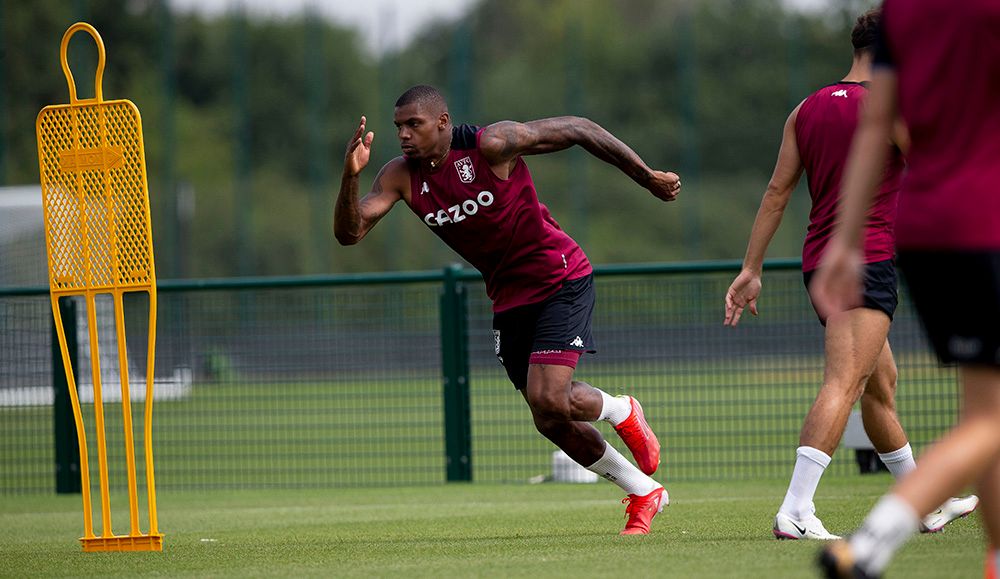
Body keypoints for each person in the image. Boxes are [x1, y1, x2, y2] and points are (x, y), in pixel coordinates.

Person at [334, 85, 681, 535]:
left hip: (560, 277)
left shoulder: (491, 145)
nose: (403, 134)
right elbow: (350, 233)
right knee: (548, 419)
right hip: (509, 298)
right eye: (398, 125)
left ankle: (620, 409)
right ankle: (643, 490)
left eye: (413, 124)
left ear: (442, 123)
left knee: (549, 397)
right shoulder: (400, 175)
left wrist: (647, 176)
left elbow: (578, 128)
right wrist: (350, 176)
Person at [723, 8, 976, 542]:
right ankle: (795, 508)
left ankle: (923, 502)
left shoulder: (805, 109)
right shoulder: (891, 105)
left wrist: (751, 267)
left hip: (820, 263)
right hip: (868, 259)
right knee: (844, 381)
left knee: (878, 385)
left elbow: (776, 193)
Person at [809, 1, 1000, 577]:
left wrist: (842, 244)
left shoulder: (903, 12)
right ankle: (871, 542)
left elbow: (876, 125)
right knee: (988, 423)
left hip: (921, 229)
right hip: (984, 221)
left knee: (985, 407)